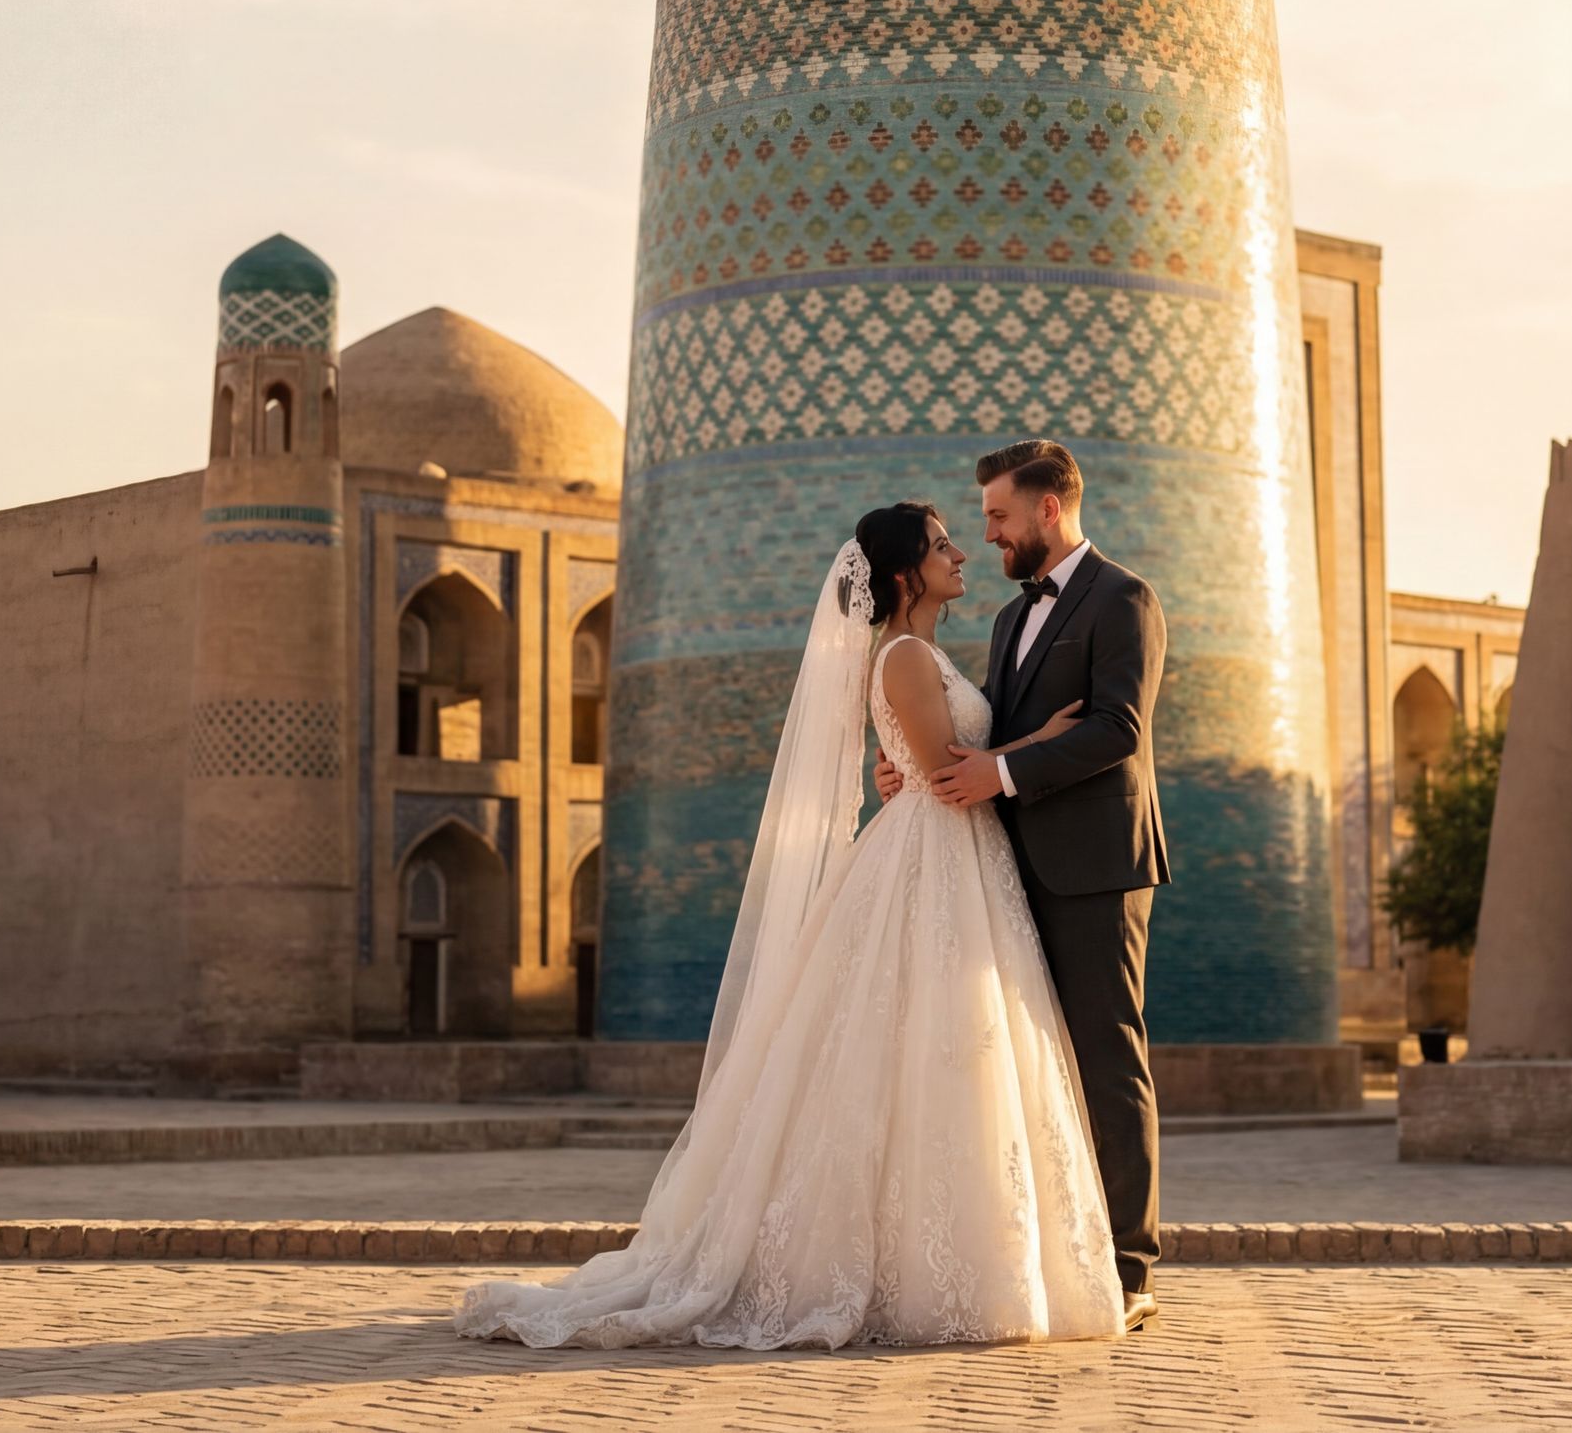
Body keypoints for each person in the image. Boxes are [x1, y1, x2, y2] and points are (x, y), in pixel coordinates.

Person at [451, 500, 1124, 1350]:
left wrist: (962, 760)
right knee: (929, 1055)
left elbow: (919, 764)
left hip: (952, 860)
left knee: (950, 1057)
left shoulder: (920, 651)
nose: (963, 552)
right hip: (934, 856)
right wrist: (1049, 740)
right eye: (943, 543)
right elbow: (950, 777)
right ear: (907, 572)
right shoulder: (907, 656)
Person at [883, 437, 1170, 1330]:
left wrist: (995, 776)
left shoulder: (1125, 597)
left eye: (1000, 517)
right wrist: (914, 771)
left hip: (1092, 869)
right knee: (1016, 1064)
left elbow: (1116, 728)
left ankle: (1127, 1267)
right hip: (1000, 871)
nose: (990, 537)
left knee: (1104, 1056)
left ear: (1050, 507)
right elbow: (983, 738)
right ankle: (1049, 1252)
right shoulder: (1009, 621)